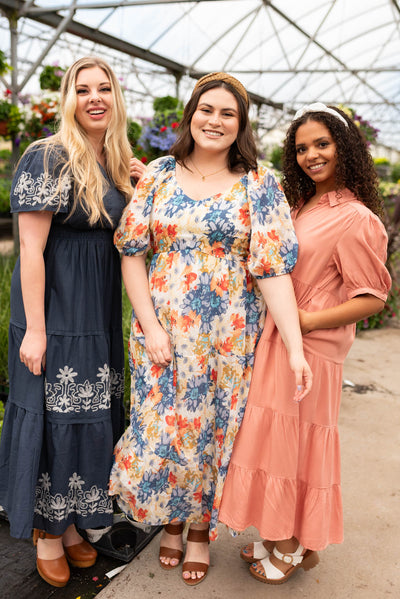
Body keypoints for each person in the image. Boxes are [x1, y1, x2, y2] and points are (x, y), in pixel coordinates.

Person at [109, 72, 312, 586]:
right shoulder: (157, 173)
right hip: (163, 332)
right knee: (169, 429)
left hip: (229, 335)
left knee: (216, 429)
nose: (215, 121)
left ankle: (198, 528)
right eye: (206, 110)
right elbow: (132, 255)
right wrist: (150, 325)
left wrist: (294, 349)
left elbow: (272, 271)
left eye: (227, 113)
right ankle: (170, 521)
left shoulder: (259, 184)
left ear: (241, 124)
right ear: (191, 116)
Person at [218, 103, 392, 584]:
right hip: (278, 339)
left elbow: (373, 297)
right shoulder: (301, 205)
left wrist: (310, 321)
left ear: (346, 147)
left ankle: (292, 546)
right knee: (276, 446)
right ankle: (284, 535)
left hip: (310, 349)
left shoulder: (356, 218)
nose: (311, 155)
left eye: (322, 144)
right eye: (301, 148)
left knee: (295, 449)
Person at [0, 56, 145, 588]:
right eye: (82, 90)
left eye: (103, 88)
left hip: (98, 311)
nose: (94, 98)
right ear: (67, 99)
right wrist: (35, 329)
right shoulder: (47, 156)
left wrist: (142, 184)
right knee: (56, 412)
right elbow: (29, 251)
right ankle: (46, 529)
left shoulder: (117, 159)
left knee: (90, 415)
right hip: (55, 309)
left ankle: (75, 522)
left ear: (116, 98)